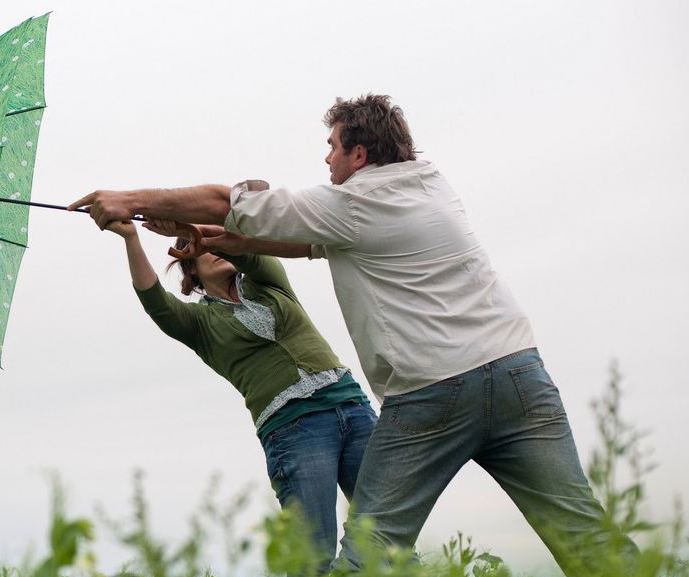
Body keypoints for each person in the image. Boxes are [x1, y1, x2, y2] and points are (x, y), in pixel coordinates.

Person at [67, 94, 628, 574]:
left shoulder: (352, 205)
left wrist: (129, 201)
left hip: (434, 392)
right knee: (585, 535)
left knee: (371, 552)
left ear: (360, 154)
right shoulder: (431, 184)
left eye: (333, 147)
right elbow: (315, 240)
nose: (326, 157)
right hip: (518, 373)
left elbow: (230, 202)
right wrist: (227, 239)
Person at [97, 214, 374, 570]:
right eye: (202, 249)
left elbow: (253, 254)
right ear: (191, 270)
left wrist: (205, 235)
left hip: (351, 406)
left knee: (387, 531)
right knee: (312, 554)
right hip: (295, 429)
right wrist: (131, 238)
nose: (215, 248)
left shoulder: (267, 283)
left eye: (218, 242)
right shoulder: (199, 324)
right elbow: (155, 301)